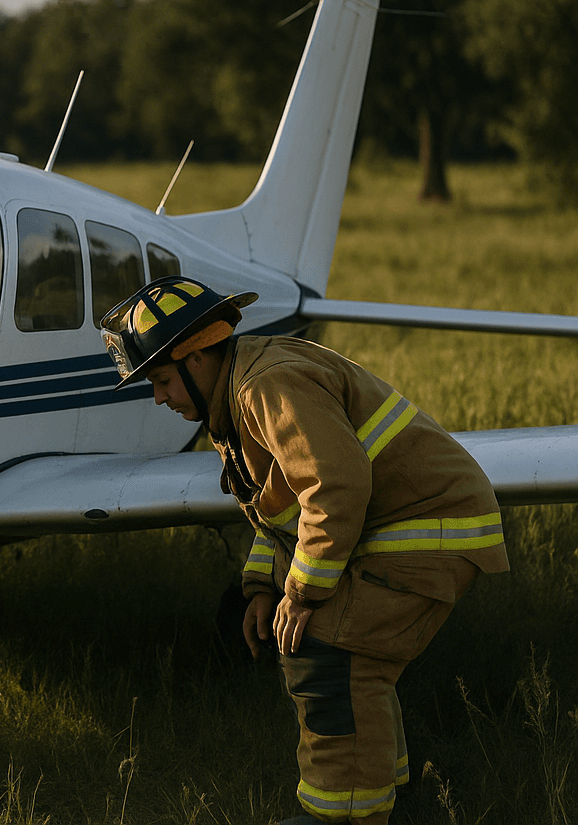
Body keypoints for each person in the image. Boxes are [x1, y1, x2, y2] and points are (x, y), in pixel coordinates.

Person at [99, 276, 508, 825]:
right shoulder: (238, 390)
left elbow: (333, 488)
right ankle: (381, 795)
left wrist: (302, 592)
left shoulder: (267, 386)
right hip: (397, 528)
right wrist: (264, 587)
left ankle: (340, 816)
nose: (158, 398)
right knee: (358, 660)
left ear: (197, 359)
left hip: (428, 531)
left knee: (325, 649)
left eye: (163, 380)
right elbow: (283, 509)